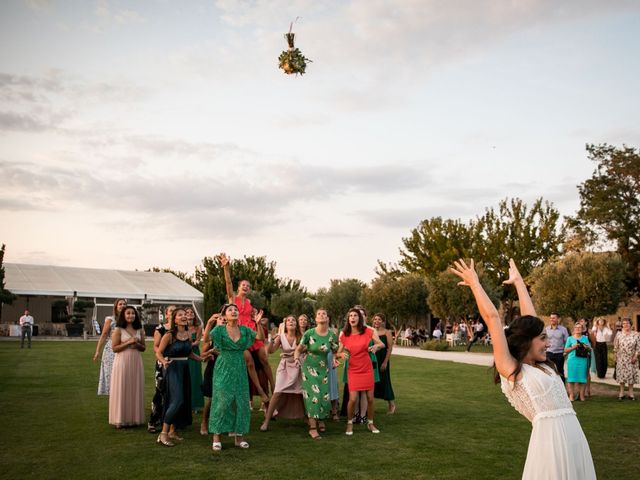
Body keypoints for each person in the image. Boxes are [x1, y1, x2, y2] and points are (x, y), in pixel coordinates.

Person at [451, 258, 595, 479]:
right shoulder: (512, 369)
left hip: (574, 437)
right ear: (527, 340)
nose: (548, 344)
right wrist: (475, 284)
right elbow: (492, 318)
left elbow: (532, 320)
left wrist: (519, 283)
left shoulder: (543, 365)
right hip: (550, 446)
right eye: (543, 339)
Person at [209, 303, 262, 451]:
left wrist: (257, 324)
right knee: (221, 401)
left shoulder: (245, 330)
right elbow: (207, 338)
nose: (234, 311)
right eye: (230, 310)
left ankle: (239, 437)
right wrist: (209, 323)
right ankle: (216, 436)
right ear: (225, 315)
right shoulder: (219, 330)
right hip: (223, 367)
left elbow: (259, 337)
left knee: (241, 401)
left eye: (235, 310)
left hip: (239, 367)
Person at [219, 253, 270, 405]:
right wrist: (226, 268)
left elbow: (254, 317)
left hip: (251, 333)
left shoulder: (249, 302)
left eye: (248, 286)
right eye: (243, 285)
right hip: (239, 334)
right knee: (249, 362)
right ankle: (260, 392)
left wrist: (259, 320)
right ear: (239, 287)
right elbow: (228, 283)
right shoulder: (232, 299)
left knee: (265, 359)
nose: (246, 287)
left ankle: (273, 389)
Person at [155, 307, 202, 447]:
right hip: (173, 368)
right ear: (174, 319)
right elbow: (158, 352)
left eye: (184, 315)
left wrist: (203, 358)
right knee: (176, 400)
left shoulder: (188, 333)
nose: (184, 316)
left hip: (185, 368)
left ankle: (172, 432)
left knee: (183, 400)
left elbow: (189, 354)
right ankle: (163, 434)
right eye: (180, 315)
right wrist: (163, 362)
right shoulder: (169, 335)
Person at [295, 308, 340, 439]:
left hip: (324, 369)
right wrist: (297, 358)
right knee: (313, 397)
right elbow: (298, 349)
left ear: (327, 318)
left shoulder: (331, 335)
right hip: (309, 368)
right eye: (319, 314)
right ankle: (313, 428)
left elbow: (336, 351)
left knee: (323, 397)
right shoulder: (309, 333)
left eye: (324, 314)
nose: (321, 315)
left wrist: (336, 359)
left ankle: (320, 419)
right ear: (315, 319)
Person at [338, 308, 385, 436]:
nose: (352, 318)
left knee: (370, 398)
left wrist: (376, 346)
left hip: (367, 368)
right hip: (353, 369)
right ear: (348, 319)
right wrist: (341, 354)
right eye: (350, 316)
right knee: (352, 399)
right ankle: (349, 423)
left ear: (360, 318)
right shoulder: (345, 334)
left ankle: (370, 423)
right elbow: (337, 352)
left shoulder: (368, 331)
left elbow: (381, 344)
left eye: (355, 315)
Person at [260, 315, 305, 432]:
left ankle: (309, 419)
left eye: (293, 320)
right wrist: (271, 339)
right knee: (277, 392)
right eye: (288, 320)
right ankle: (266, 421)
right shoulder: (281, 337)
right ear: (285, 325)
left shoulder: (301, 336)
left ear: (296, 324)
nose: (291, 322)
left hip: (298, 366)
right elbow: (271, 351)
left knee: (302, 394)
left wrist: (290, 355)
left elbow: (304, 350)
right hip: (284, 368)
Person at [109, 306, 145, 428]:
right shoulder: (118, 330)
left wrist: (137, 345)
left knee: (135, 387)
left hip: (136, 361)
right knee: (122, 387)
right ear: (123, 315)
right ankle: (120, 419)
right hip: (122, 361)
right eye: (128, 313)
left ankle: (134, 419)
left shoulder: (140, 329)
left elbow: (144, 348)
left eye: (133, 313)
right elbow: (114, 348)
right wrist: (128, 342)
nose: (131, 316)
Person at [147, 305, 175, 433]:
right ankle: (153, 420)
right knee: (160, 391)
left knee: (174, 393)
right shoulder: (161, 329)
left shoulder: (180, 329)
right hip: (162, 363)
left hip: (177, 364)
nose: (174, 313)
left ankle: (170, 422)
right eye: (171, 311)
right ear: (167, 314)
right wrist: (164, 360)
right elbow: (156, 347)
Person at [94, 298, 127, 395]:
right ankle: (113, 401)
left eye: (124, 304)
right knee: (112, 376)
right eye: (120, 304)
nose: (122, 306)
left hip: (125, 349)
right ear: (116, 307)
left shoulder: (129, 319)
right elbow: (104, 335)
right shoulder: (110, 319)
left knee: (122, 376)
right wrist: (97, 351)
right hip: (111, 351)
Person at [199, 312, 225, 435]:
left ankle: (222, 423)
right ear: (217, 322)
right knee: (211, 398)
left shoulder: (232, 335)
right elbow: (202, 355)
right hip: (213, 369)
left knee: (226, 398)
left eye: (225, 319)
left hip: (227, 370)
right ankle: (204, 422)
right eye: (220, 319)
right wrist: (211, 352)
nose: (223, 320)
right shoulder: (212, 337)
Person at [372, 313, 396, 414]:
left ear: (383, 321)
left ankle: (391, 404)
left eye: (379, 319)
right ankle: (370, 406)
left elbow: (389, 348)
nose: (376, 321)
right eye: (375, 319)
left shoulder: (387, 332)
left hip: (383, 359)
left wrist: (385, 362)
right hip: (373, 359)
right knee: (372, 382)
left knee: (385, 381)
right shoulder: (371, 332)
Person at [613, 317, 639, 400]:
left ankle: (631, 394)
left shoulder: (636, 334)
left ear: (631, 324)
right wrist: (615, 356)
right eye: (623, 323)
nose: (625, 325)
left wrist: (635, 356)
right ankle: (621, 393)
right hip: (621, 358)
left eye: (627, 323)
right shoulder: (619, 334)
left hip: (632, 358)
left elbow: (638, 347)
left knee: (631, 375)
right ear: (622, 325)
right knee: (621, 375)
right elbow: (616, 346)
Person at [564, 324, 591, 402]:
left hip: (583, 360)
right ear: (574, 329)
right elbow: (565, 350)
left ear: (582, 329)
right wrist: (573, 347)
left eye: (580, 327)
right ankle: (571, 395)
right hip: (572, 360)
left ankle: (581, 396)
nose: (578, 329)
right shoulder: (570, 338)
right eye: (576, 327)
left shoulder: (585, 338)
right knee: (571, 379)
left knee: (582, 379)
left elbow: (590, 349)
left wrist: (587, 347)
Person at [186, 306, 204, 412]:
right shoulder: (182, 326)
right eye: (187, 312)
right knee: (186, 377)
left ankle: (195, 404)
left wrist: (188, 345)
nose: (189, 313)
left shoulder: (198, 327)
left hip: (194, 352)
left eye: (191, 312)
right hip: (184, 354)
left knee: (195, 377)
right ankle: (186, 403)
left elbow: (198, 341)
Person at [544, 313, 569, 383]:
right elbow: (544, 340)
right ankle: (550, 386)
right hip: (549, 353)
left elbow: (567, 342)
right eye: (551, 318)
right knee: (548, 370)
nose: (552, 319)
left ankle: (562, 388)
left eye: (554, 318)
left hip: (559, 353)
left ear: (558, 319)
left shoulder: (563, 329)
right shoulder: (546, 329)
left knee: (560, 371)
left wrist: (565, 352)